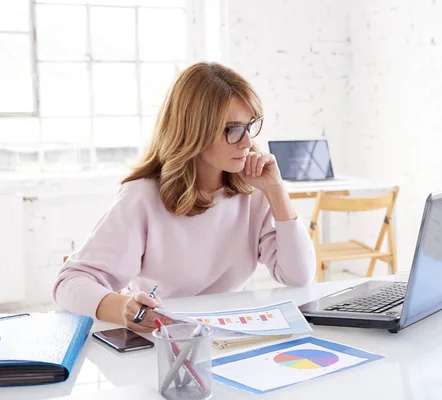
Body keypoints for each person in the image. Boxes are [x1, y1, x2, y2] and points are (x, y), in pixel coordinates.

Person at [52, 62, 316, 333]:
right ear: (194, 131)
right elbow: (69, 283)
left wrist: (276, 192)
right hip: (165, 342)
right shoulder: (142, 196)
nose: (247, 142)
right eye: (233, 130)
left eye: (251, 126)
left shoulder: (254, 191)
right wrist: (122, 308)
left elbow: (299, 277)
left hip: (232, 335)